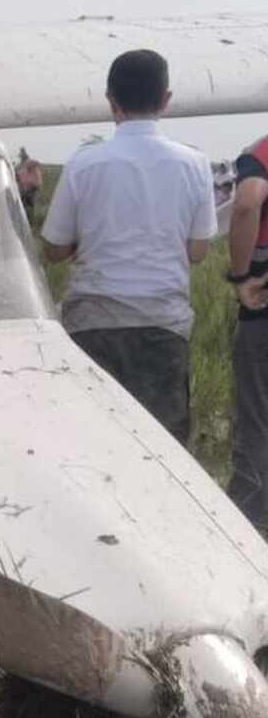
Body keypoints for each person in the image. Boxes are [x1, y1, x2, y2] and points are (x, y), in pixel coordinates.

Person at [41, 49, 216, 446]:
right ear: (166, 99)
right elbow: (198, 251)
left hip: (92, 324)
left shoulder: (84, 163)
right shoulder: (195, 164)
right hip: (162, 325)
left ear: (110, 100)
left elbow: (53, 248)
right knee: (162, 454)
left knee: (92, 445)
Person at [219, 138, 268, 529]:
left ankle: (246, 527)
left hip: (263, 308)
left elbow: (249, 201)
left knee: (257, 415)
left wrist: (240, 276)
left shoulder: (260, 156)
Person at [14, 148, 44, 222]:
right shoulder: (21, 167)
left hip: (31, 190)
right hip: (24, 190)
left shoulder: (32, 166)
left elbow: (37, 164)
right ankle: (25, 219)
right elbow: (18, 177)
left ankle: (30, 219)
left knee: (29, 205)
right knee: (23, 205)